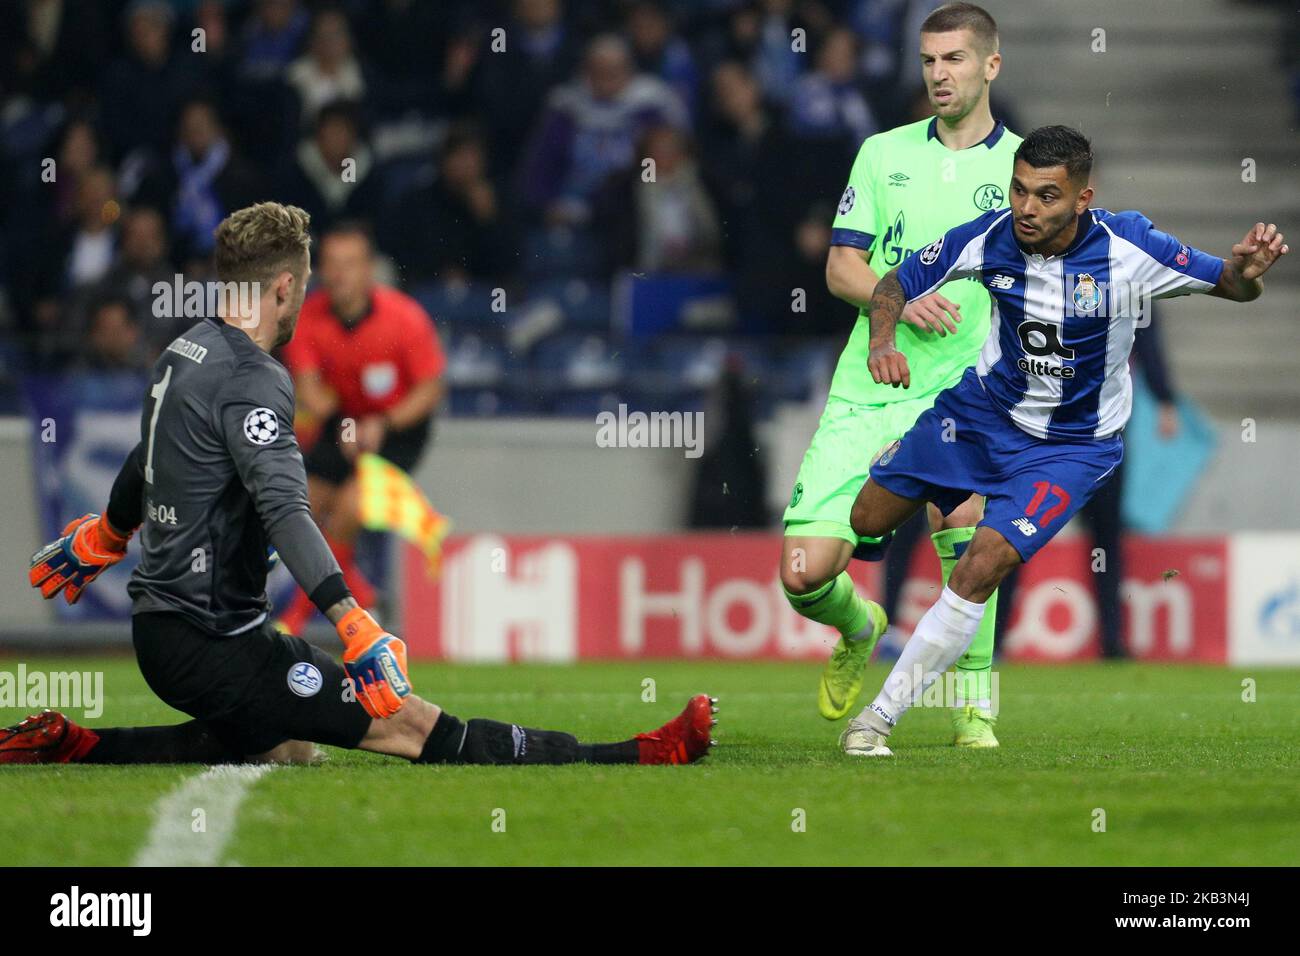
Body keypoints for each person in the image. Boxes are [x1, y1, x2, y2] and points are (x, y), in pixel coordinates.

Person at [10, 202, 715, 768]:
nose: (303, 299)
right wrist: (354, 621)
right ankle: (634, 754)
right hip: (212, 641)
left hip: (168, 633)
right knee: (409, 726)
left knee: (283, 745)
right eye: (302, 285)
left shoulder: (179, 353)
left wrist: (108, 533)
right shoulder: (254, 380)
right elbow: (284, 509)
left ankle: (74, 743)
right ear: (284, 286)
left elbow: (145, 457)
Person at [839, 125, 1287, 756]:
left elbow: (1233, 284)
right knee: (866, 517)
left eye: (1046, 196)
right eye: (1020, 191)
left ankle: (878, 720)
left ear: (1083, 198)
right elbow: (894, 284)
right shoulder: (990, 235)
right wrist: (883, 342)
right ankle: (862, 622)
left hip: (1072, 448)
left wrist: (1248, 271)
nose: (1027, 208)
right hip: (981, 415)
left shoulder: (1130, 246)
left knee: (981, 566)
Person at [780, 3, 1017, 748]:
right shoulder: (882, 154)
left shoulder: (1024, 170)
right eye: (928, 61)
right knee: (802, 573)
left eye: (954, 59)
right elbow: (840, 265)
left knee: (968, 540)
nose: (939, 74)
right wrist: (904, 300)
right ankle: (862, 624)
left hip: (967, 392)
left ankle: (975, 709)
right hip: (870, 384)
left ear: (990, 65)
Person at [274, 222, 442, 635]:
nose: (339, 274)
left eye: (349, 264)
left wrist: (382, 425)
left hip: (399, 428)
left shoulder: (405, 319)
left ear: (369, 269)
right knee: (300, 508)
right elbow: (310, 390)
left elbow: (430, 390)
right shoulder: (308, 319)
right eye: (330, 264)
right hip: (341, 423)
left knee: (349, 508)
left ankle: (296, 619)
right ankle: (365, 596)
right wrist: (349, 428)